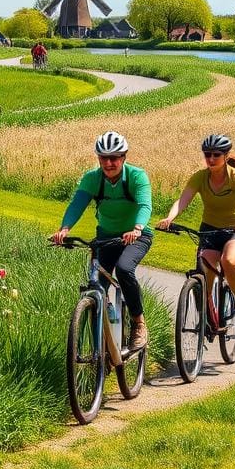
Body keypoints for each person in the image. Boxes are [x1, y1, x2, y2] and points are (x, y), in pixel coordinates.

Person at [52, 132, 153, 351]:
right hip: (106, 237)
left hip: (136, 236)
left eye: (114, 158)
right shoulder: (92, 178)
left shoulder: (137, 176)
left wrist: (137, 228)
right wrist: (65, 229)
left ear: (124, 157)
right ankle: (102, 348)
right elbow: (77, 204)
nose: (108, 163)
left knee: (124, 269)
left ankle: (138, 323)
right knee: (96, 286)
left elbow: (145, 205)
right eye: (103, 158)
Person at [156, 134, 235, 333]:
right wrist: (169, 218)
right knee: (204, 268)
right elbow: (183, 200)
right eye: (207, 154)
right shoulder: (200, 177)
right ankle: (208, 314)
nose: (211, 159)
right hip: (209, 229)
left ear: (226, 156)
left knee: (229, 261)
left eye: (216, 155)